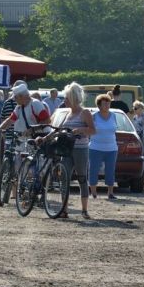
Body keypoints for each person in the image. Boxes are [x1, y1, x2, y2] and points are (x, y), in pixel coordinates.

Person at [38, 82, 95, 219]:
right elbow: (58, 130)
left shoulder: (85, 113)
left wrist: (81, 130)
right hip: (66, 149)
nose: (64, 101)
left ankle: (84, 209)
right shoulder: (66, 113)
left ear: (74, 98)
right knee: (64, 178)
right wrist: (45, 138)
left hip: (81, 149)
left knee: (82, 178)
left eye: (67, 98)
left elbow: (93, 130)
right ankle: (64, 209)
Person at [89, 94, 118, 200]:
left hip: (112, 148)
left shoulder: (114, 115)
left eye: (108, 103)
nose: (107, 105)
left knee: (110, 170)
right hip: (96, 148)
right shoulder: (94, 116)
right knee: (94, 170)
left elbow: (115, 129)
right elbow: (89, 130)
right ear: (99, 105)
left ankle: (110, 193)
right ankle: (93, 193)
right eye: (104, 103)